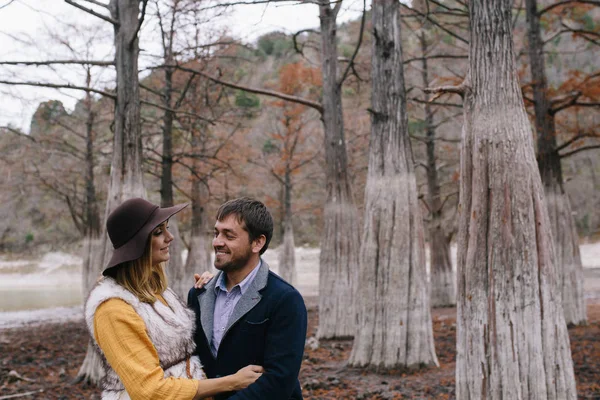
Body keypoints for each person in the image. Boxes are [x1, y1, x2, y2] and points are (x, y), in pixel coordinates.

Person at [84, 197, 263, 400]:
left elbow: (186, 348)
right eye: (159, 232)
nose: (170, 237)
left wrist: (209, 293)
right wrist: (231, 382)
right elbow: (150, 391)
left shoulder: (157, 291)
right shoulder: (113, 309)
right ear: (137, 244)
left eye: (167, 228)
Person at [188, 197, 308, 400]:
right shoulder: (199, 294)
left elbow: (280, 381)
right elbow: (193, 359)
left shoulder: (285, 299)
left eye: (229, 235)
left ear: (257, 242)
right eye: (216, 233)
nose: (217, 242)